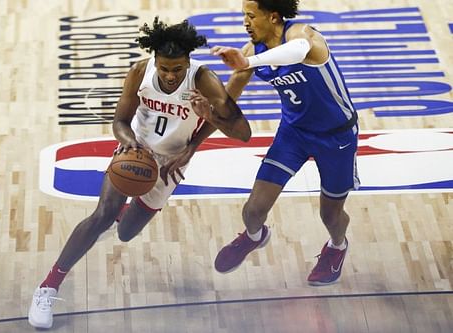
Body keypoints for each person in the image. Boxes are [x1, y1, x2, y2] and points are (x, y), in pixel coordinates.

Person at [28, 17, 251, 329]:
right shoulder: (139, 72)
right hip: (135, 152)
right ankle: (48, 286)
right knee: (102, 215)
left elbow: (242, 133)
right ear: (155, 61)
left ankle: (121, 217)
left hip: (173, 161)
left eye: (177, 68)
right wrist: (130, 144)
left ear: (188, 61)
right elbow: (120, 121)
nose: (171, 75)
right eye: (164, 68)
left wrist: (202, 128)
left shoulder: (204, 80)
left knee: (126, 232)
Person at [211, 0, 359, 286]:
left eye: (251, 16)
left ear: (273, 16)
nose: (245, 22)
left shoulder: (304, 36)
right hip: (294, 133)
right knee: (252, 211)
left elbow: (298, 50)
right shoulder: (251, 51)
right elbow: (225, 103)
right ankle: (255, 236)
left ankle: (337, 247)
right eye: (244, 16)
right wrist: (197, 132)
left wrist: (250, 63)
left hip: (336, 135)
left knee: (330, 214)